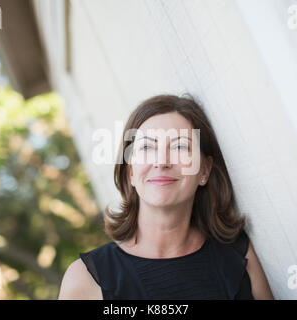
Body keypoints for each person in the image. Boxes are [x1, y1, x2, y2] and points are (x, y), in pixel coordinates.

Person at [58, 94, 274, 300]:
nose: (161, 162)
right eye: (147, 147)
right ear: (131, 172)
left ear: (205, 171)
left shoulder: (239, 254)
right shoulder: (85, 280)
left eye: (180, 146)